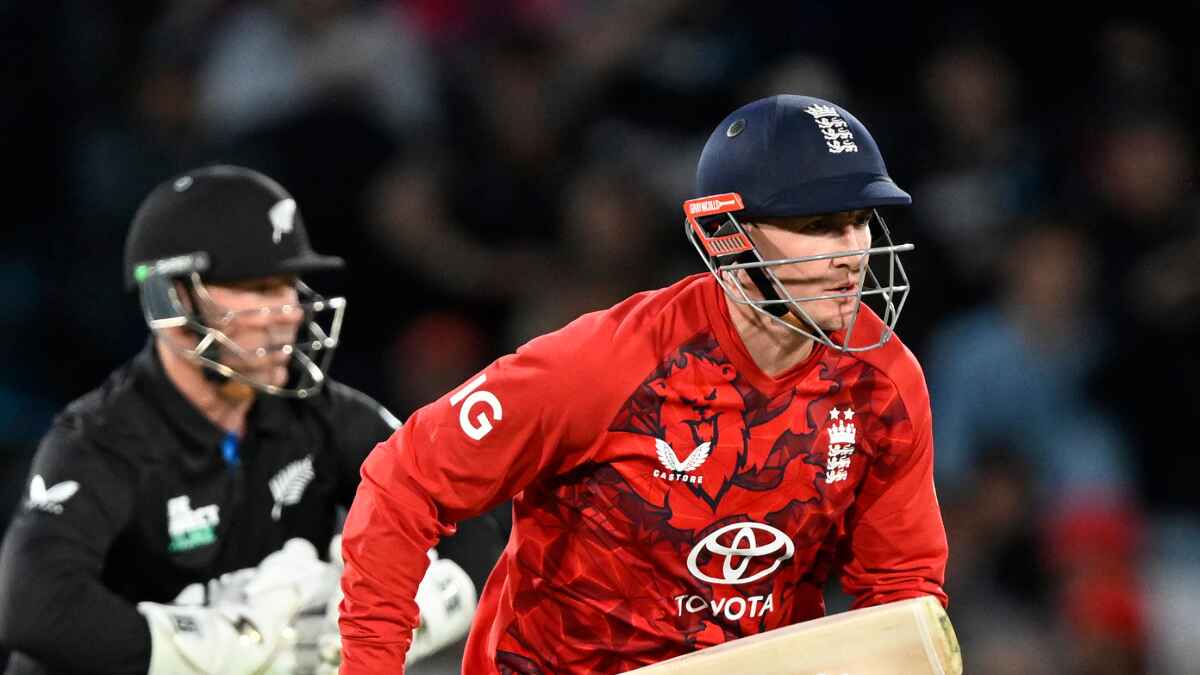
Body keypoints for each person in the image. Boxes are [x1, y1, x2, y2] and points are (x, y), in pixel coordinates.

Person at [339, 95, 950, 674]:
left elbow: (899, 591)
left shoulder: (882, 385)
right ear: (727, 235)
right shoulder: (610, 364)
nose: (852, 253)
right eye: (820, 225)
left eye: (860, 222)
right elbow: (405, 481)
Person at [0, 165, 485, 675]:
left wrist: (426, 609)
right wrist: (219, 651)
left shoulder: (321, 414)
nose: (292, 311)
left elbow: (471, 508)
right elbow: (32, 609)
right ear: (173, 298)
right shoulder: (103, 438)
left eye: (291, 286)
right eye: (259, 288)